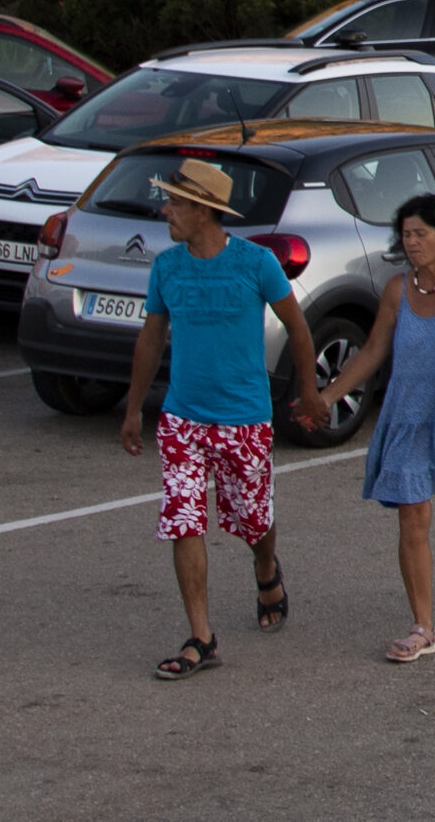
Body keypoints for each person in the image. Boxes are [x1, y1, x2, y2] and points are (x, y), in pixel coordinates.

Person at [118, 157, 324, 681]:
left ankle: (265, 565)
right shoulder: (167, 267)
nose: (167, 211)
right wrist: (131, 407)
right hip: (182, 419)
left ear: (206, 213)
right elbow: (150, 338)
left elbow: (298, 331)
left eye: (177, 204)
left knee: (253, 520)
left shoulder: (256, 264)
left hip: (244, 419)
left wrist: (309, 393)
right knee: (183, 520)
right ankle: (201, 637)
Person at [310, 193, 435, 664]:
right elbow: (371, 353)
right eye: (405, 235)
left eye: (421, 233)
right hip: (408, 419)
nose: (412, 243)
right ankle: (423, 628)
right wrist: (328, 396)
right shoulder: (397, 291)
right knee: (412, 519)